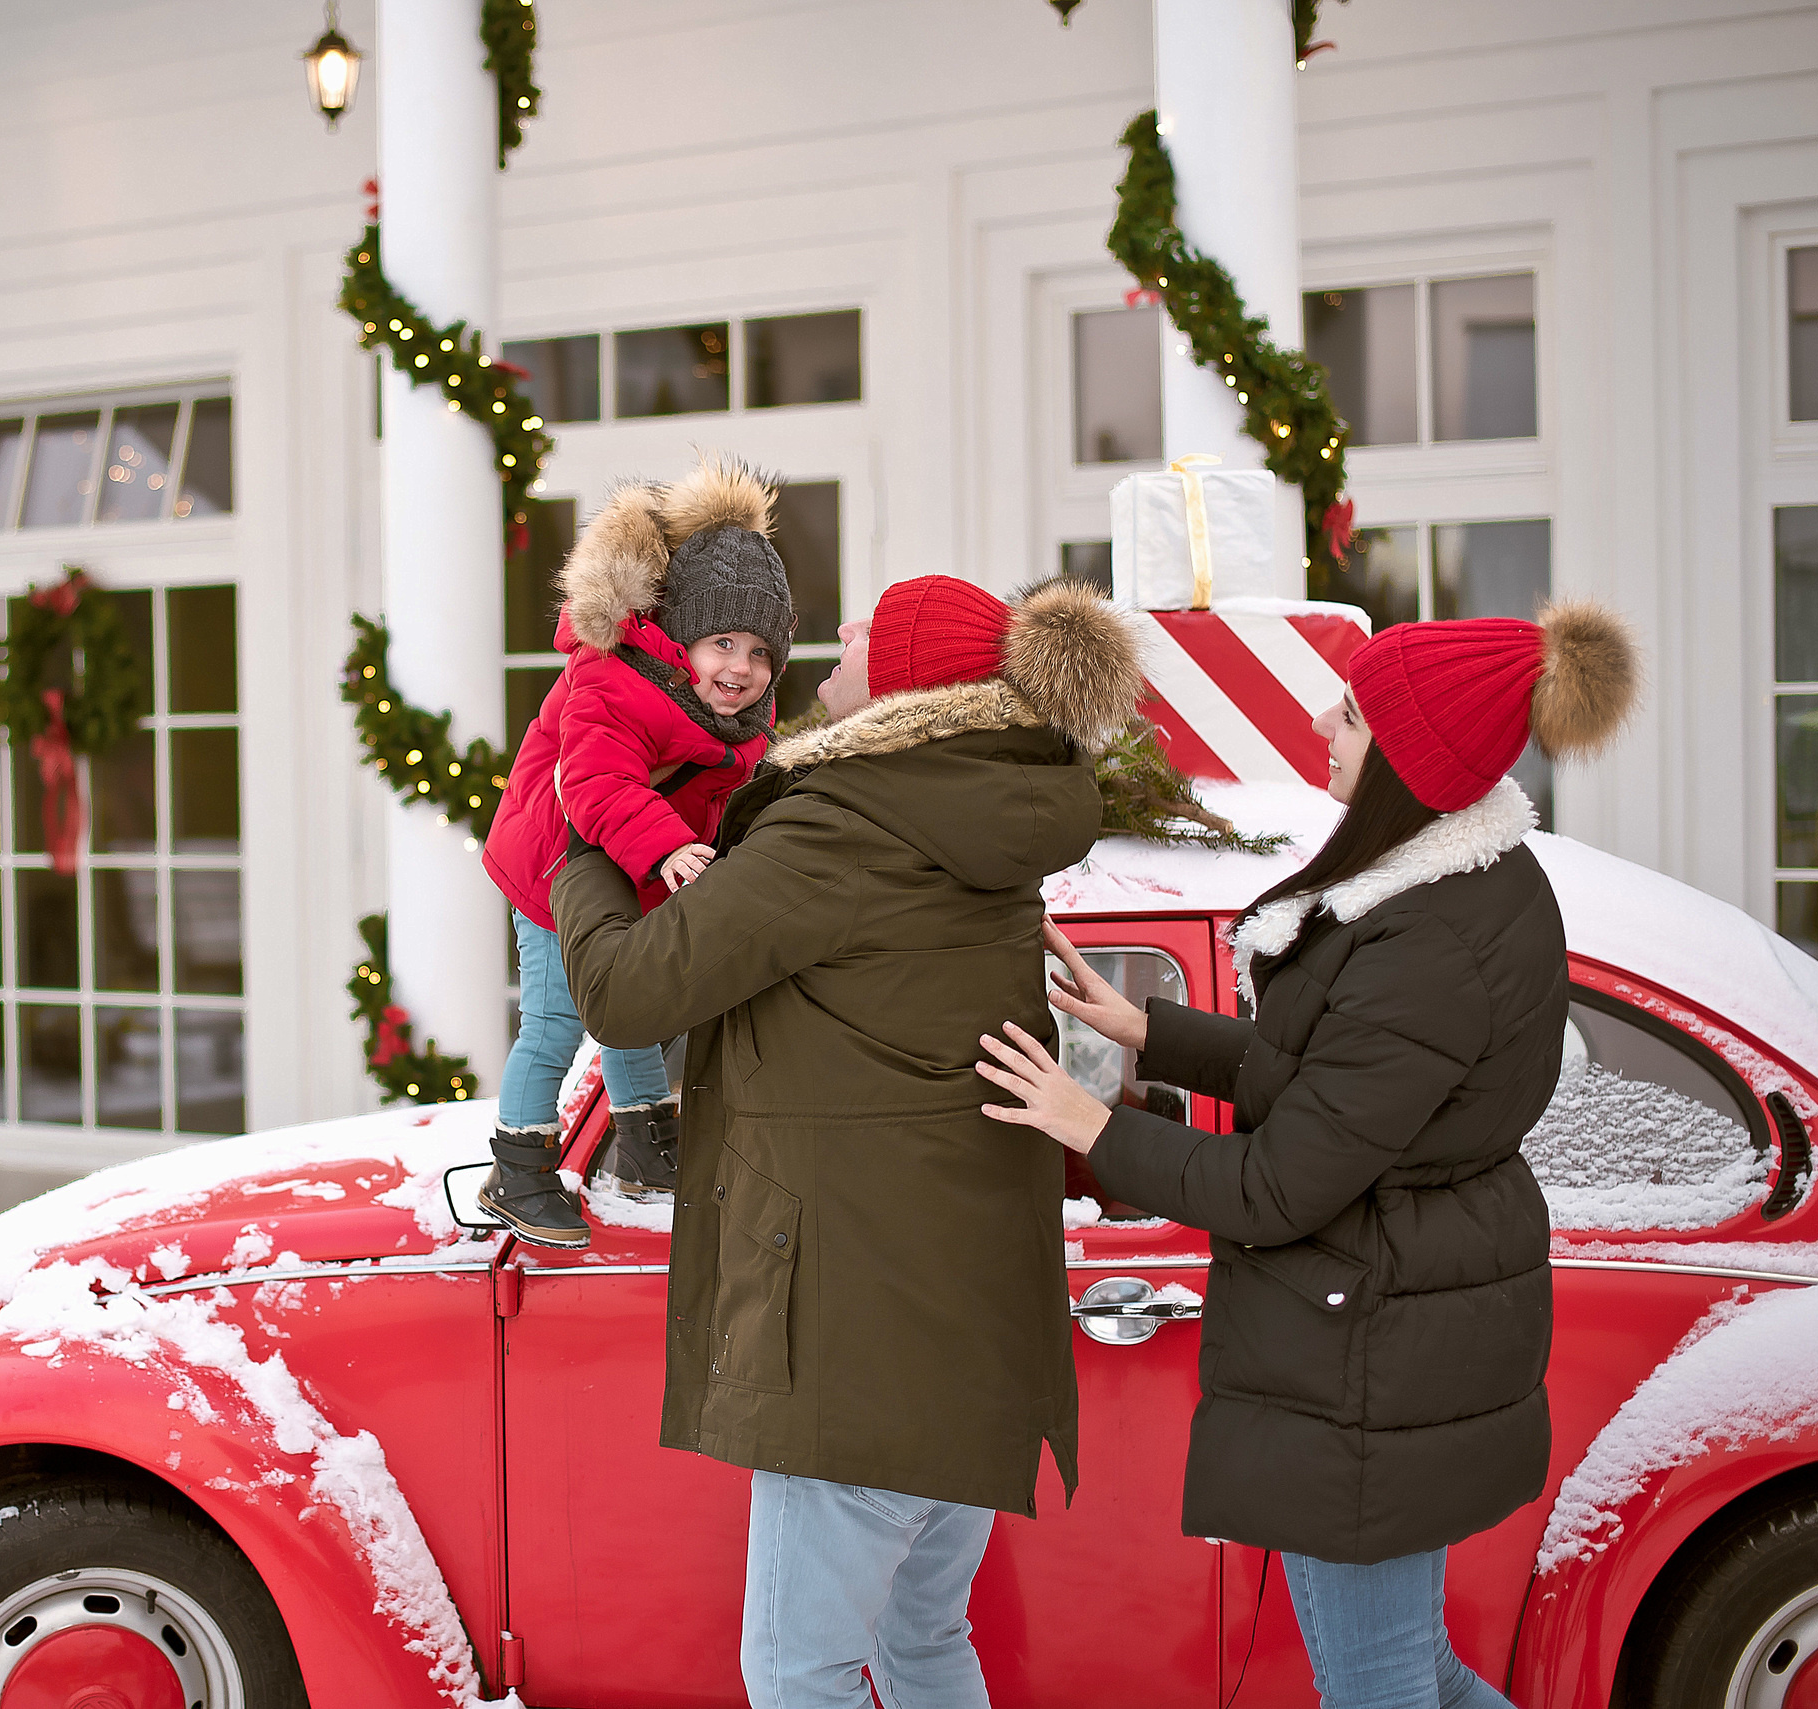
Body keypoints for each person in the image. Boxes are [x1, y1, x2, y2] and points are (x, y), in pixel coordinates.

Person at [975, 602, 1642, 1709]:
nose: (1327, 718)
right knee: (1413, 1666)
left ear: (1411, 757)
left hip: (1368, 1353)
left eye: (1357, 709)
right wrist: (1156, 1033)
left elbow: (1279, 1183)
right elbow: (1353, 1085)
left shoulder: (1427, 940)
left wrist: (1087, 1123)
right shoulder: (1455, 891)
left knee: (1374, 1678)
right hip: (1391, 1324)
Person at [551, 573, 1142, 1709]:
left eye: (862, 632)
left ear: (908, 681)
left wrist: (587, 835)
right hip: (967, 1320)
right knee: (924, 1641)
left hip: (852, 1332)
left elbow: (629, 990)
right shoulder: (984, 807)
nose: (829, 649)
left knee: (797, 1668)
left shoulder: (842, 825)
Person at [477, 456, 795, 1249]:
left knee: (639, 1013)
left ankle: (647, 1144)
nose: (741, 669)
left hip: (635, 872)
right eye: (723, 641)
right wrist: (671, 850)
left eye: (760, 653)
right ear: (683, 633)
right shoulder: (613, 681)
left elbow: (731, 799)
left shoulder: (735, 718)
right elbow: (592, 782)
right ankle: (516, 1165)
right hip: (558, 869)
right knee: (555, 1019)